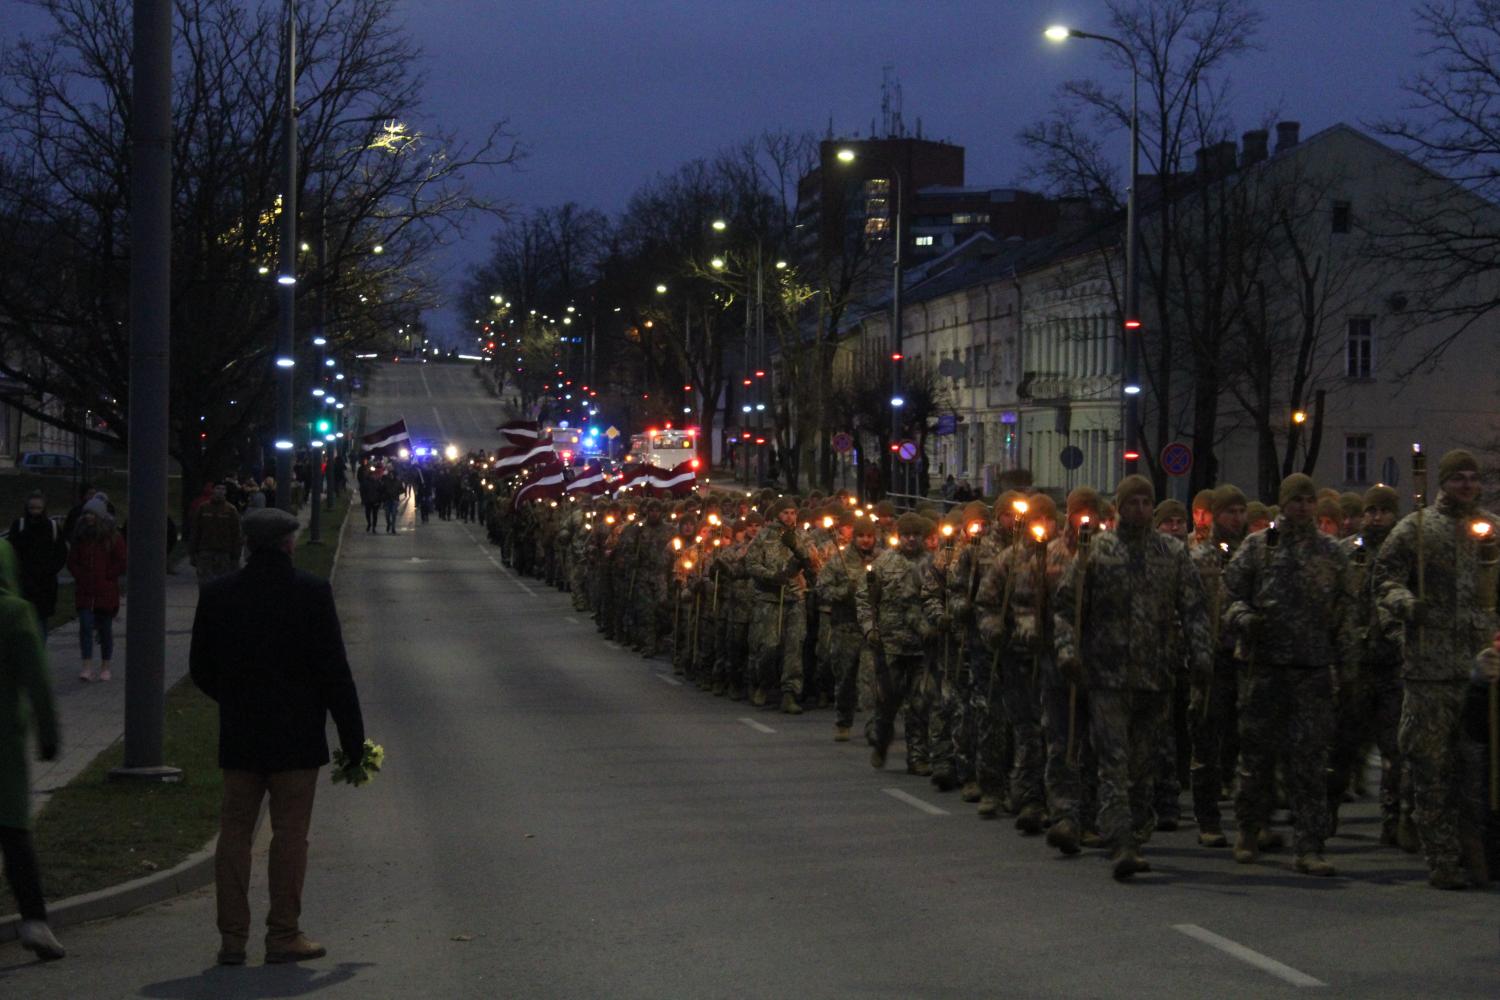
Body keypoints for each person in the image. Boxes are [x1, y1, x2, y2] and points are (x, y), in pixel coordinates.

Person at [189, 507, 365, 966]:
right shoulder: (310, 593)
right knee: (290, 837)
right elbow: (334, 672)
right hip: (296, 737)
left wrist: (234, 698)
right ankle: (283, 933)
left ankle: (232, 938)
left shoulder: (218, 594)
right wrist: (352, 739)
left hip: (242, 734)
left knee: (234, 834)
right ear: (289, 543)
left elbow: (200, 668)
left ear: (248, 543)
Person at [1373, 449, 1497, 888]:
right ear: (1443, 482)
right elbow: (1384, 579)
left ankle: (1479, 851)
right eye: (1457, 478)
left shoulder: (1491, 531)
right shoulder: (1418, 529)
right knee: (1431, 768)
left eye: (1472, 478)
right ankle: (1442, 856)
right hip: (1430, 670)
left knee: (1477, 770)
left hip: (1481, 672)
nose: (1466, 485)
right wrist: (1406, 605)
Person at [1224, 473, 1355, 876]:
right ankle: (1249, 828)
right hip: (1265, 669)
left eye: (1308, 500)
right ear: (1282, 504)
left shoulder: (1331, 552)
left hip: (1312, 671)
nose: (1302, 507)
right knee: (1257, 759)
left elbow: (1345, 613)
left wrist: (1347, 666)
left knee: (1310, 763)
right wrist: (1246, 619)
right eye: (1295, 500)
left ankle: (1310, 845)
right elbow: (1230, 598)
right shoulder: (1257, 548)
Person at [0, 539, 65, 961]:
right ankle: (34, 920)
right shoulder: (14, 613)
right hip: (3, 740)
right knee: (13, 831)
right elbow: (38, 680)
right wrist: (48, 734)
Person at [67, 495, 127, 683]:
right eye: (86, 514)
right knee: (85, 625)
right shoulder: (81, 536)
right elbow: (72, 560)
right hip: (85, 590)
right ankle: (86, 665)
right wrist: (80, 575)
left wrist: (108, 576)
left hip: (105, 591)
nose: (88, 518)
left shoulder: (112, 538)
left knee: (105, 629)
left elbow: (121, 560)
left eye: (92, 514)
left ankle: (105, 666)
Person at [6, 491, 68, 635]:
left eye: (38, 508)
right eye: (32, 508)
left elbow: (61, 553)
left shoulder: (51, 527)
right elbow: (11, 550)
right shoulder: (19, 526)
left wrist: (51, 570)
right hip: (24, 582)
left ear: (44, 508)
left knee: (41, 621)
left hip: (45, 584)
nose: (35, 512)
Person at [190, 481, 242, 588]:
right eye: (218, 488)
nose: (220, 491)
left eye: (223, 489)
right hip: (205, 551)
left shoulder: (231, 510)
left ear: (226, 492)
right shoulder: (203, 508)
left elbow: (236, 534)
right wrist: (193, 552)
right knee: (205, 583)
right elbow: (196, 530)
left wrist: (235, 556)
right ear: (213, 490)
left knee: (222, 584)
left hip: (224, 552)